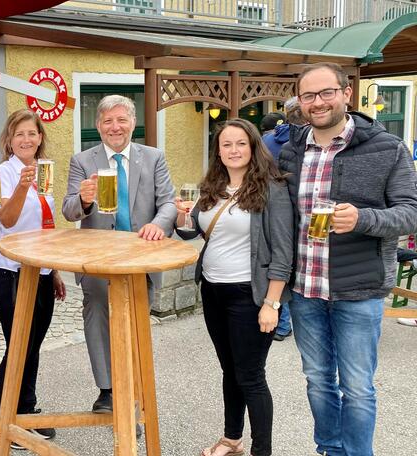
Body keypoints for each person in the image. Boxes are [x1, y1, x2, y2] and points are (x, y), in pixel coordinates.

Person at [279, 62, 417, 456]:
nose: (318, 102)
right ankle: (329, 449)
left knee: (357, 386)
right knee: (317, 379)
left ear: (346, 94)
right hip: (305, 288)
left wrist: (363, 218)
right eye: (309, 96)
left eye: (326, 93)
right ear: (300, 102)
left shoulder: (387, 147)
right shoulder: (293, 150)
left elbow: (411, 211)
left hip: (359, 289)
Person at [176, 118, 293, 456]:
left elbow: (283, 252)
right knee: (231, 370)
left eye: (240, 143)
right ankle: (231, 439)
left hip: (250, 295)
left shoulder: (273, 188)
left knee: (251, 376)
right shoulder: (212, 185)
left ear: (253, 146)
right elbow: (194, 231)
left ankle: (262, 451)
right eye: (226, 144)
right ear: (218, 151)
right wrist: (183, 218)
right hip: (213, 290)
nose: (233, 150)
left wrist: (271, 303)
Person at [62, 95, 176, 419]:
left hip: (140, 258)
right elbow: (69, 210)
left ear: (133, 123)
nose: (115, 127)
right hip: (98, 260)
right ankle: (108, 390)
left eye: (121, 120)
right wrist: (83, 201)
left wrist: (158, 223)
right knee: (97, 310)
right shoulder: (83, 160)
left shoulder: (153, 157)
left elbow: (169, 203)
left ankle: (133, 388)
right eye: (108, 121)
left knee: (135, 321)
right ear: (98, 126)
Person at [0, 109, 66, 449]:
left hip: (41, 269)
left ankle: (26, 411)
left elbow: (45, 223)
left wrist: (55, 269)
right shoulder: (3, 173)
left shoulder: (44, 171)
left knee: (33, 344)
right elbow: (6, 218)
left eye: (32, 133)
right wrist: (21, 186)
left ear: (40, 138)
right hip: (10, 269)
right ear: (9, 140)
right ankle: (0, 420)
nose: (26, 140)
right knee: (18, 344)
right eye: (19, 134)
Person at [262, 98, 307, 341]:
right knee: (286, 264)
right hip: (295, 212)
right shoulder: (301, 144)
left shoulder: (267, 140)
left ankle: (281, 323)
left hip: (273, 210)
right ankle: (283, 324)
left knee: (281, 263)